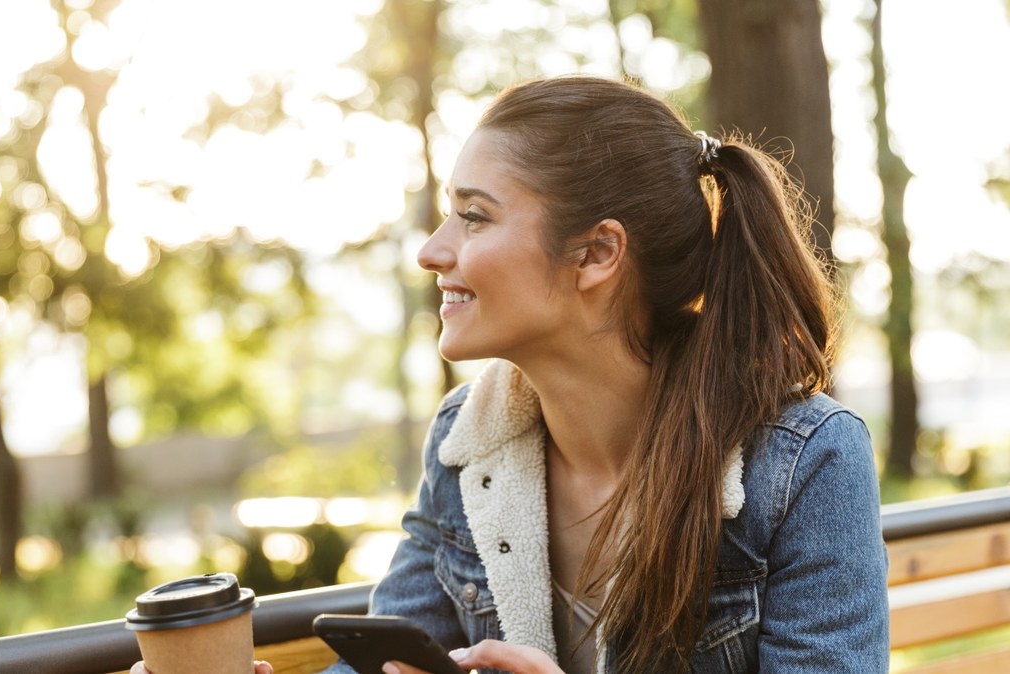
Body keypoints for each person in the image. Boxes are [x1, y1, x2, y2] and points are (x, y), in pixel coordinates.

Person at [136, 74, 889, 674]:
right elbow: (396, 654)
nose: (432, 251)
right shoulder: (464, 444)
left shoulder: (806, 462)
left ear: (597, 254)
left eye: (474, 216)